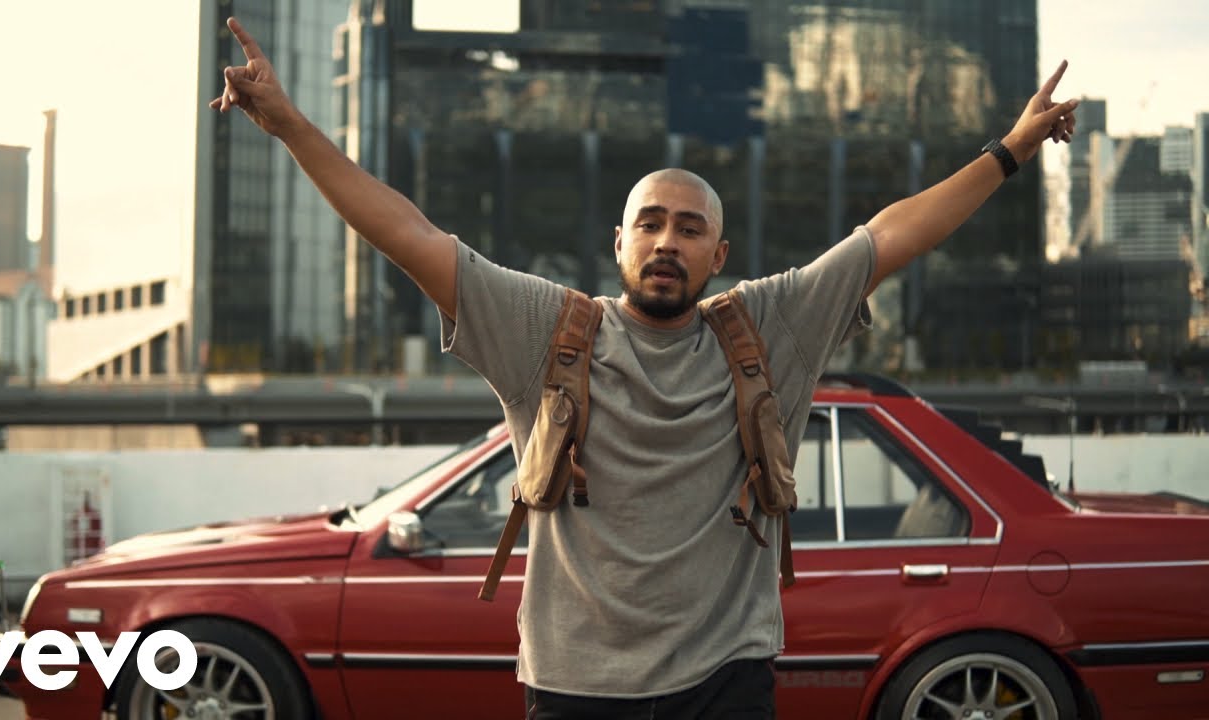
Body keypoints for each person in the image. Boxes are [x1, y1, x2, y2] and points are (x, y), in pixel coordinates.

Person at [212, 16, 1077, 719]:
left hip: (727, 682)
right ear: (619, 242)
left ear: (718, 255)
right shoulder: (544, 329)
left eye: (690, 229)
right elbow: (407, 234)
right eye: (651, 223)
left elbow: (890, 235)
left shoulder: (769, 327)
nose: (668, 240)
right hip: (575, 689)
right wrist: (289, 125)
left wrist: (1011, 148)